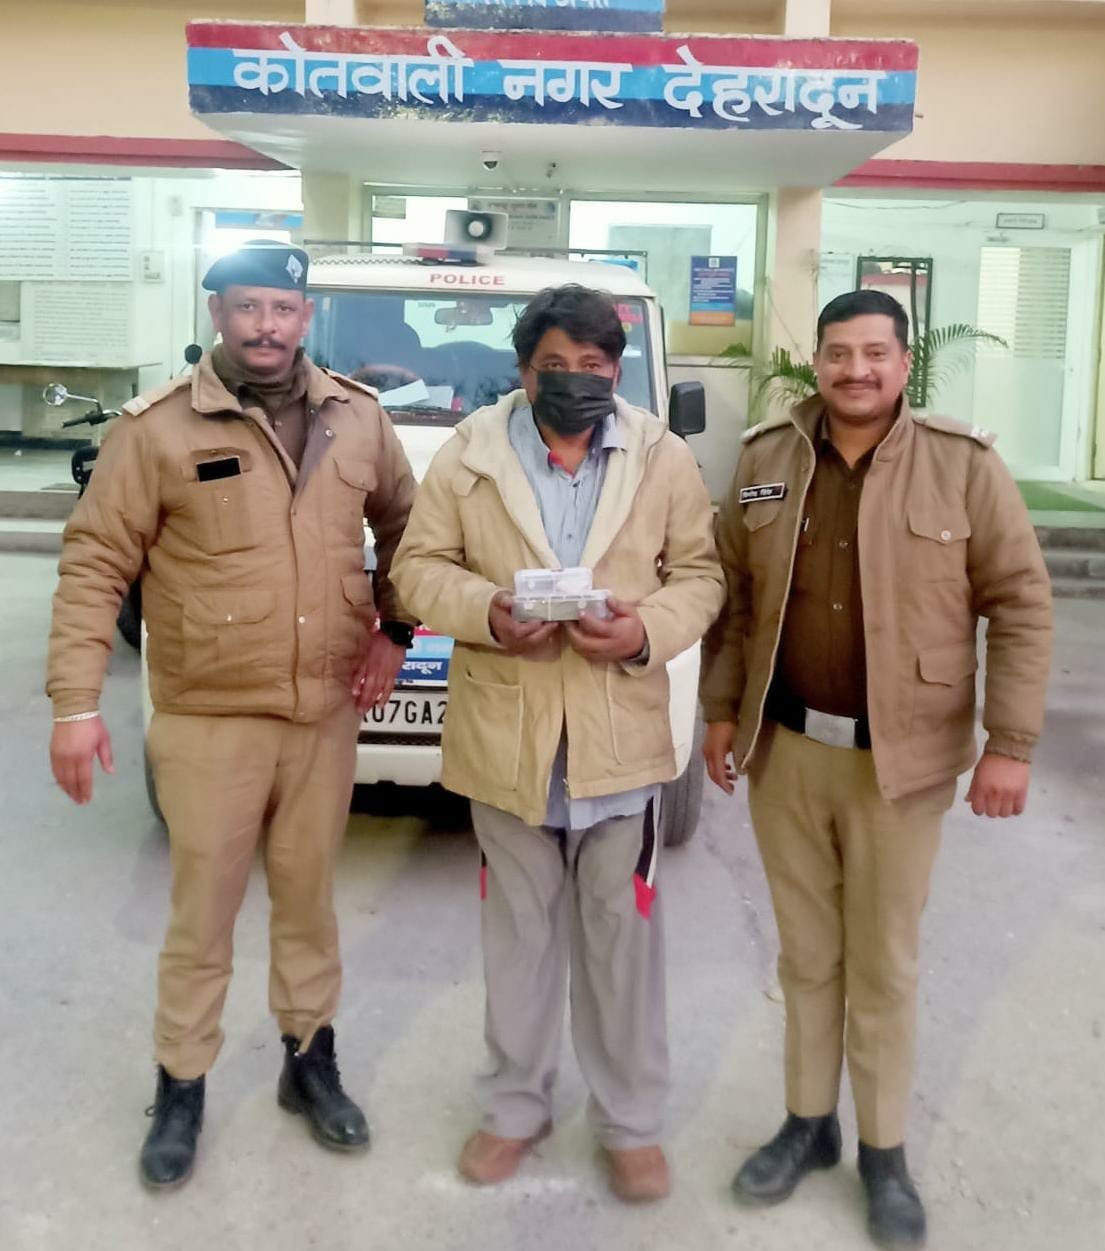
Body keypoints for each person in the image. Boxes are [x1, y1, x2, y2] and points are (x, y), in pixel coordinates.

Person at [46, 239, 417, 1188]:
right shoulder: (158, 429)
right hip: (210, 717)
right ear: (217, 313)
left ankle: (309, 1061)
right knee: (202, 911)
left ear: (305, 317)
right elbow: (95, 563)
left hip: (321, 714)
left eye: (283, 309)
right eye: (247, 307)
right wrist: (76, 703)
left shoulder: (357, 417)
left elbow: (407, 528)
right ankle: (181, 1082)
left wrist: (394, 629)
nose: (266, 326)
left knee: (309, 900)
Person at [700, 289, 1053, 1247]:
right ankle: (807, 1123)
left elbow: (1020, 602)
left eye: (873, 353)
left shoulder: (961, 464)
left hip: (899, 765)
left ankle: (883, 1149)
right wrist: (720, 710)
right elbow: (735, 598)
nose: (853, 370)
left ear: (904, 363)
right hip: (786, 752)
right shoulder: (765, 459)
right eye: (836, 352)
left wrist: (1010, 743)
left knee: (884, 963)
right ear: (815, 360)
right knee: (806, 956)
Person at [391, 284, 724, 1202]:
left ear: (615, 369)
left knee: (624, 946)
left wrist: (645, 629)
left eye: (592, 365)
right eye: (554, 366)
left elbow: (700, 576)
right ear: (522, 369)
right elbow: (418, 567)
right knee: (518, 940)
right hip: (509, 743)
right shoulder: (470, 454)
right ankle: (513, 1110)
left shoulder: (661, 455)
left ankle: (630, 1123)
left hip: (619, 744)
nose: (574, 380)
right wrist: (486, 611)